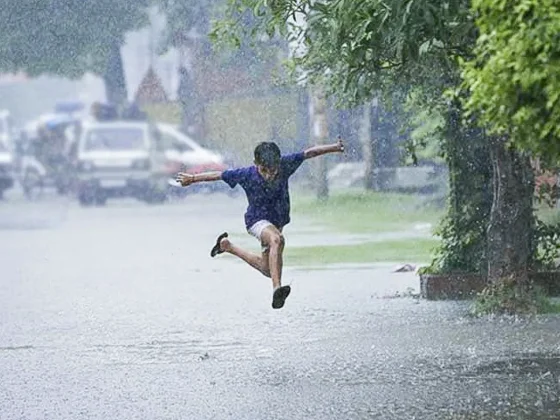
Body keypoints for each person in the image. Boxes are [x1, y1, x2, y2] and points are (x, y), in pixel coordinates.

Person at [175, 138, 345, 309]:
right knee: (277, 240)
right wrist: (193, 178)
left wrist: (335, 147)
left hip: (277, 221)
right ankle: (277, 289)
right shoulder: (246, 174)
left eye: (273, 170)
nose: (269, 175)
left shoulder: (286, 165)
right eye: (264, 170)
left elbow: (309, 153)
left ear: (279, 163)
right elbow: (218, 175)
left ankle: (227, 246)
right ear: (255, 164)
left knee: (268, 269)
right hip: (257, 221)